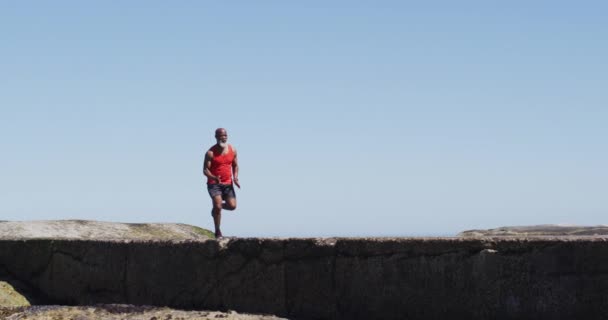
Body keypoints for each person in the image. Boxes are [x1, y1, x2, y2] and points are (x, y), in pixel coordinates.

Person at [203, 128, 240, 238]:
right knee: (218, 206)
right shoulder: (210, 152)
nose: (223, 138)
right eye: (220, 136)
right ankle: (218, 231)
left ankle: (215, 209)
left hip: (228, 184)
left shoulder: (232, 150)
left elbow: (235, 165)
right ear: (216, 137)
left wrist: (236, 178)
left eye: (225, 135)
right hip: (214, 184)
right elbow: (205, 170)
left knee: (232, 206)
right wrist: (213, 177)